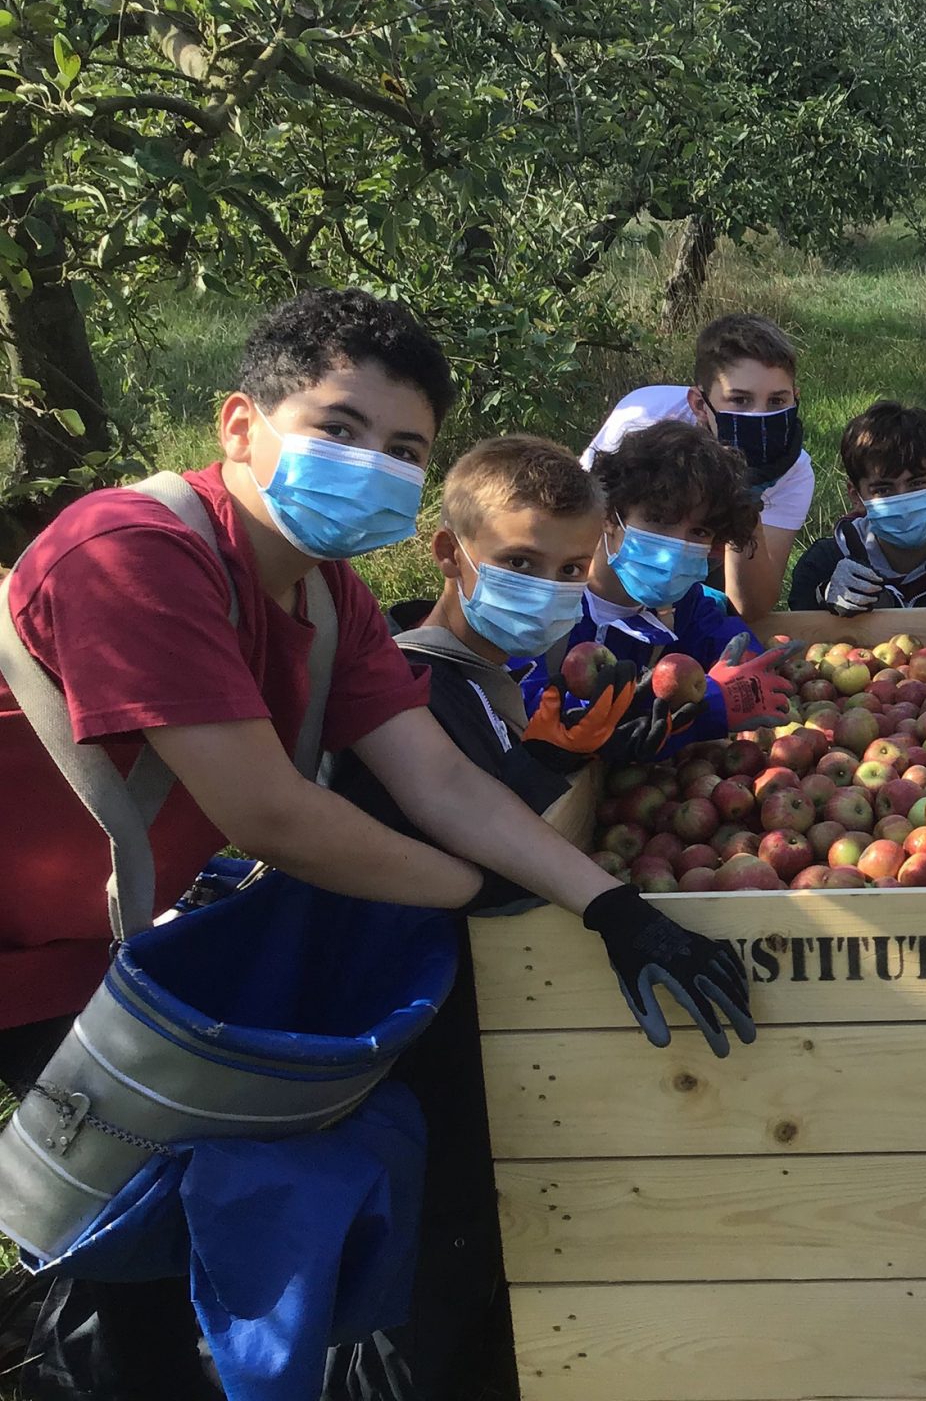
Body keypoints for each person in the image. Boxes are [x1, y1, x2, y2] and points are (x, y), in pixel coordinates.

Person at [0, 291, 751, 1399]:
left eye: (402, 447)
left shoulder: (327, 596)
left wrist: (609, 908)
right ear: (239, 425)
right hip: (31, 934)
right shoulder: (135, 552)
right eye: (338, 429)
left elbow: (437, 778)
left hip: (119, 947)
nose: (371, 463)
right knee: (95, 1241)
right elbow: (274, 815)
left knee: (143, 1241)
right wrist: (480, 889)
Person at [321, 435, 625, 1401]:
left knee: (476, 1281)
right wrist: (540, 774)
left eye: (572, 569)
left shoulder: (492, 677)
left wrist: (556, 759)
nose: (549, 587)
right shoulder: (412, 690)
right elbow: (446, 853)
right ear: (450, 555)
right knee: (416, 1301)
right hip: (405, 1061)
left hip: (474, 1045)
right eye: (520, 564)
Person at [523, 417, 795, 737]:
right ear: (610, 515)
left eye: (699, 531)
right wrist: (710, 705)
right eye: (660, 520)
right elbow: (548, 721)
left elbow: (739, 653)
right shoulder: (540, 611)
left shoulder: (686, 607)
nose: (677, 547)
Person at [582, 313, 812, 618]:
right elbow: (583, 525)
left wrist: (746, 504)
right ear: (700, 404)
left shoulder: (793, 471)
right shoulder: (643, 420)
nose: (759, 415)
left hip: (706, 557)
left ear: (795, 399)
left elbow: (751, 606)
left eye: (776, 402)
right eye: (740, 401)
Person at [787, 400, 926, 614]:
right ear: (856, 495)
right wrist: (824, 595)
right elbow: (795, 635)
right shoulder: (823, 562)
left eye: (916, 483)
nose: (904, 499)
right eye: (883, 489)